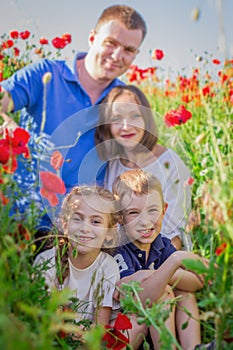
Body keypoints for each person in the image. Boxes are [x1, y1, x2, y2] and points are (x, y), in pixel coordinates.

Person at [0, 5, 147, 231]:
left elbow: (143, 153)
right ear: (92, 38)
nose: (117, 56)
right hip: (21, 216)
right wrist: (5, 119)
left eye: (128, 49)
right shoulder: (46, 74)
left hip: (79, 229)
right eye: (111, 43)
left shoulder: (124, 100)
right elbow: (3, 99)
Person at [111, 169, 209, 350]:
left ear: (164, 210)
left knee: (184, 292)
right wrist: (173, 264)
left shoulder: (161, 244)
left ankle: (194, 347)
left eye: (153, 210)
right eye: (134, 213)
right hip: (127, 331)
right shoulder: (119, 249)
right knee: (164, 291)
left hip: (153, 326)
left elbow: (197, 282)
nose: (145, 221)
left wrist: (163, 271)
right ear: (120, 217)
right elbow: (140, 299)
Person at [95, 84, 192, 250]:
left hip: (165, 259)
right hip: (122, 257)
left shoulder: (169, 163)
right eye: (117, 119)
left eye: (135, 116)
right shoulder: (113, 165)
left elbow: (175, 234)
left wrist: (153, 272)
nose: (126, 126)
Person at [33, 184, 121, 326]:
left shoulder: (107, 267)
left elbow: (99, 329)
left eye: (95, 221)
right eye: (77, 219)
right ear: (64, 224)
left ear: (110, 232)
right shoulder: (46, 260)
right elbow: (42, 316)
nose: (85, 228)